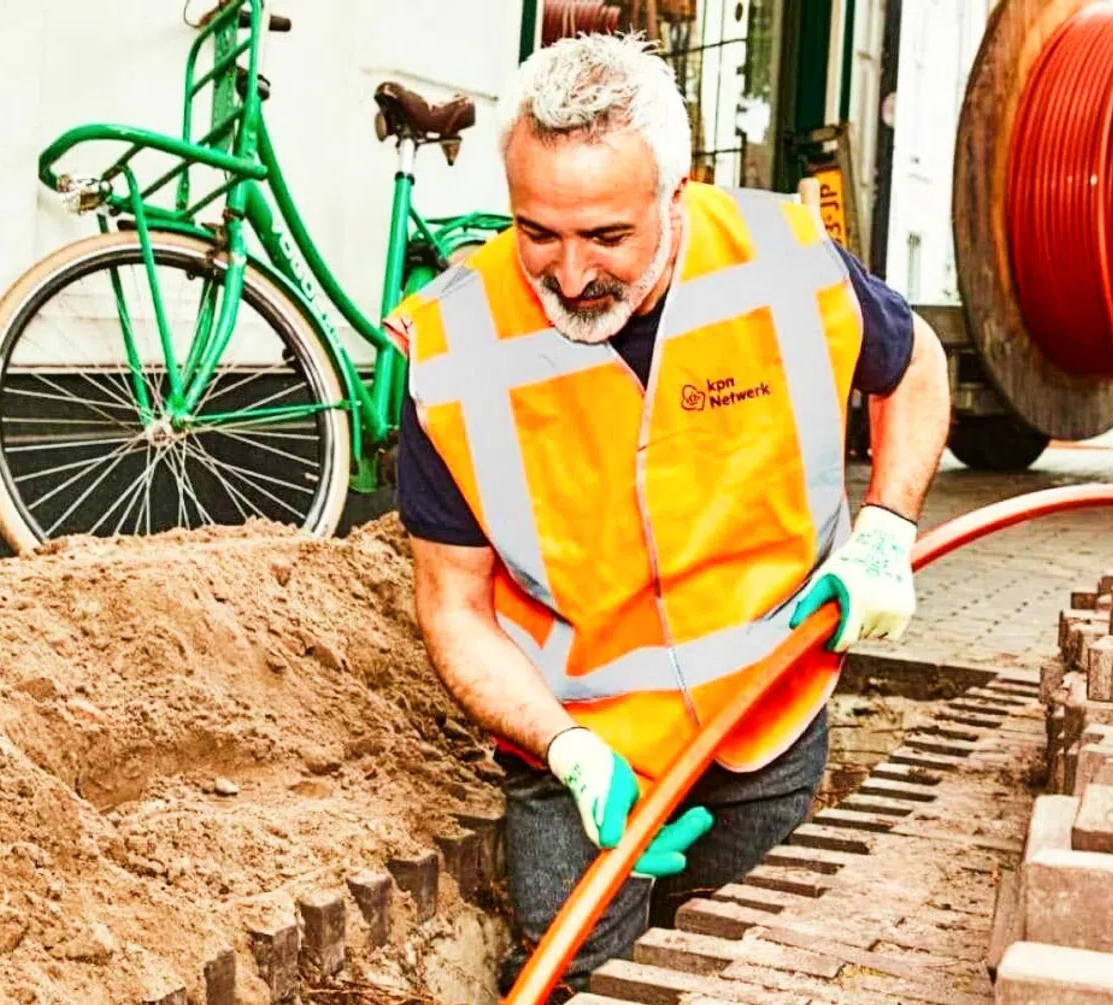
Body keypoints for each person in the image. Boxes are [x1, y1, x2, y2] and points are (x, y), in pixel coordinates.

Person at [382, 32, 951, 1001]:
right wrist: (562, 746)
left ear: (676, 194)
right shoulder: (453, 340)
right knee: (584, 976)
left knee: (743, 973)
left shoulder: (783, 259)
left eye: (606, 237)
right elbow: (453, 606)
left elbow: (914, 365)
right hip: (575, 745)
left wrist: (887, 531)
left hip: (766, 709)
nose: (567, 276)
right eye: (536, 233)